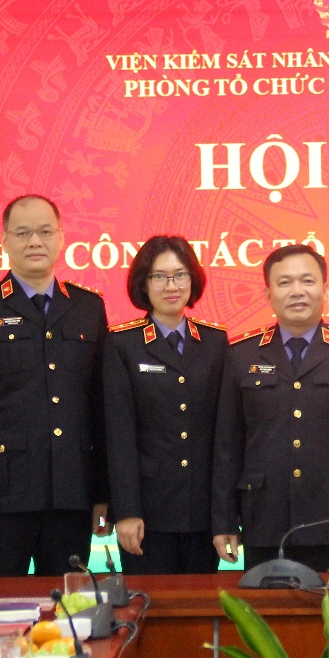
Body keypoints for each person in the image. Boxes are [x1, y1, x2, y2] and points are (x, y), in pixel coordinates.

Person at [0, 194, 110, 576]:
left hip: (72, 494)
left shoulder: (88, 307)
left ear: (61, 237)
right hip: (1, 500)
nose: (35, 241)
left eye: (45, 231)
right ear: (4, 240)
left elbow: (100, 408)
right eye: (22, 233)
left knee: (69, 606)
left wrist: (103, 495)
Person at [211, 244, 329, 573]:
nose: (297, 291)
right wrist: (224, 520)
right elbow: (228, 445)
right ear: (268, 293)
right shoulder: (241, 354)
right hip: (264, 519)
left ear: (325, 289)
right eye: (285, 282)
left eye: (307, 281)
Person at [104, 235, 227, 574]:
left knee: (201, 602)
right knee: (148, 600)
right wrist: (127, 511)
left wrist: (225, 515)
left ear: (193, 279)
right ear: (143, 284)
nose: (171, 286)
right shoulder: (123, 344)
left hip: (204, 511)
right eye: (159, 276)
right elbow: (119, 435)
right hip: (148, 511)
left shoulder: (216, 342)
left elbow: (224, 435)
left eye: (180, 275)